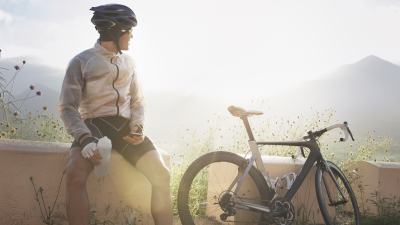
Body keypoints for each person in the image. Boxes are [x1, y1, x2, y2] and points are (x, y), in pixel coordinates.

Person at [57, 4, 173, 225]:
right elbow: (68, 107)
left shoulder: (130, 62)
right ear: (115, 31)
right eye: (128, 31)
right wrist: (84, 138)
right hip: (93, 125)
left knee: (162, 175)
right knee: (74, 174)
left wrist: (138, 127)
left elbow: (138, 101)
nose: (131, 36)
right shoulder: (81, 61)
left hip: (125, 127)